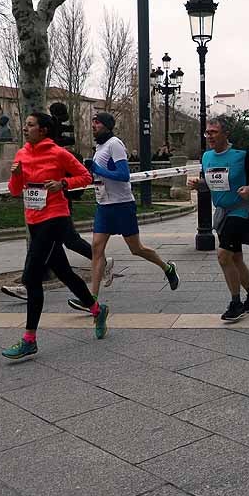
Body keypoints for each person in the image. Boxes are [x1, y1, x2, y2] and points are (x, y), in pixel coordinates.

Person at [70, 113, 179, 337]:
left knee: (136, 249)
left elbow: (123, 175)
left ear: (107, 126)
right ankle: (92, 299)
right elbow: (101, 177)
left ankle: (167, 267)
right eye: (93, 122)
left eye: (97, 123)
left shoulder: (114, 144)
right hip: (104, 206)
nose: (93, 126)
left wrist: (97, 170)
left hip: (122, 205)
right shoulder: (98, 148)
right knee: (96, 249)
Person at [1, 113, 99, 359]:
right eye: (25, 125)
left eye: (30, 125)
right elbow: (14, 191)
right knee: (64, 272)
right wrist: (15, 175)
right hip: (33, 220)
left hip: (54, 217)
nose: (25, 128)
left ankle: (29, 339)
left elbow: (85, 177)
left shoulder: (58, 153)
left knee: (31, 277)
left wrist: (62, 184)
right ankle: (97, 309)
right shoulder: (22, 154)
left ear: (43, 130)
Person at [187, 116, 249, 323]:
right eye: (207, 132)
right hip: (221, 213)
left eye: (213, 132)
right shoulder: (206, 157)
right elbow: (212, 182)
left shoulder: (242, 155)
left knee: (223, 255)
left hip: (240, 211)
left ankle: (236, 303)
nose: (209, 136)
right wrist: (199, 183)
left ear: (225, 134)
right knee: (236, 259)